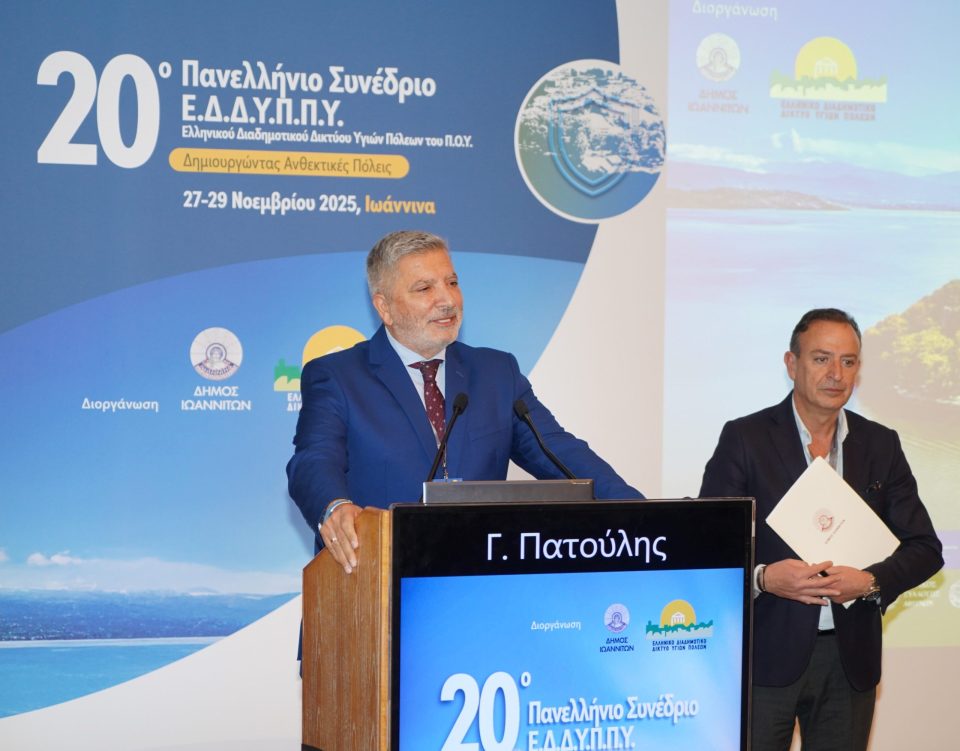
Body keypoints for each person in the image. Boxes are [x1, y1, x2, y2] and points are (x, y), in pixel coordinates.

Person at [287, 230, 642, 573]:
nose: (447, 300)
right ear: (385, 307)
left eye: (452, 283)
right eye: (425, 288)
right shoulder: (338, 376)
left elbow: (558, 450)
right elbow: (313, 459)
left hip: (476, 581)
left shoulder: (495, 372)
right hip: (372, 579)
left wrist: (638, 511)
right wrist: (334, 506)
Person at [699, 308, 942, 751]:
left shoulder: (880, 443)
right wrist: (764, 577)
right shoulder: (745, 438)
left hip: (849, 661)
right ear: (791, 364)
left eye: (848, 362)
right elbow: (708, 545)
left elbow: (925, 548)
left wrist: (869, 581)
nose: (836, 374)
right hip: (763, 656)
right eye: (821, 359)